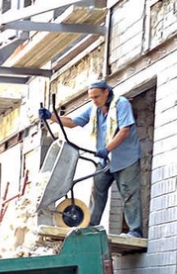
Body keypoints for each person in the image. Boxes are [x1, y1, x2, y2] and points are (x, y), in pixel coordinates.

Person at [38, 80, 144, 238]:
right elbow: (73, 122)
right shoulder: (95, 109)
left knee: (129, 194)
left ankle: (135, 231)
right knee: (97, 192)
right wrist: (51, 116)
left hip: (126, 159)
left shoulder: (121, 104)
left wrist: (107, 149)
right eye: (91, 97)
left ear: (106, 92)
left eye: (96, 96)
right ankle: (91, 228)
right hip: (104, 161)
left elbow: (125, 130)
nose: (94, 100)